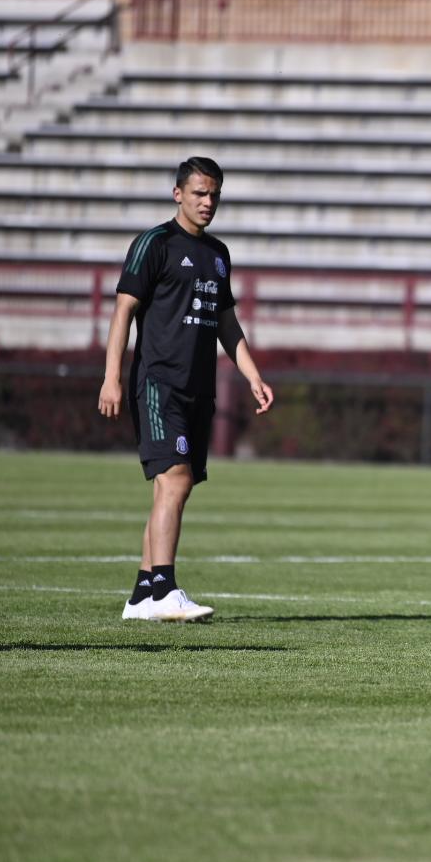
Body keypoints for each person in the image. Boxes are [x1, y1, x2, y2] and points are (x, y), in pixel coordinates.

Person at [97, 157, 274, 622]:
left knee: (175, 488)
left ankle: (141, 596)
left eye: (214, 194)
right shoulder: (153, 244)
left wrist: (253, 375)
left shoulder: (218, 254)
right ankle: (165, 589)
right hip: (159, 384)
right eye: (199, 193)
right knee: (173, 480)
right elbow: (122, 312)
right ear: (178, 194)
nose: (207, 202)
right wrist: (112, 376)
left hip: (200, 388)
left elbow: (227, 324)